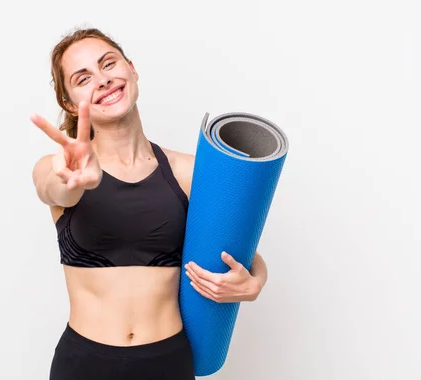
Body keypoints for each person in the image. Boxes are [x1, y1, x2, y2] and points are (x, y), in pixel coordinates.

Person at [31, 27, 269, 380]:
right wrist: (70, 179)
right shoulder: (60, 168)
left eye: (108, 64)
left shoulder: (190, 172)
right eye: (83, 78)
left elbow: (238, 249)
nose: (103, 80)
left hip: (167, 362)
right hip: (84, 364)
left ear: (131, 69)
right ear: (69, 103)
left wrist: (256, 282)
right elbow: (54, 189)